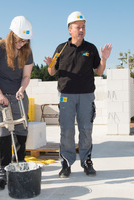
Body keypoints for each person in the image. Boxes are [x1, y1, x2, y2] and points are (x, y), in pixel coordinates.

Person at [44, 11, 112, 178]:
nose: (81, 30)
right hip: (66, 95)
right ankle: (66, 163)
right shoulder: (61, 49)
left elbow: (99, 71)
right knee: (66, 130)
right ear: (70, 30)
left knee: (86, 130)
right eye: (78, 27)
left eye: (83, 27)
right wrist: (50, 65)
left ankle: (87, 161)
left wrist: (103, 59)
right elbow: (52, 72)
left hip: (87, 95)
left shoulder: (91, 48)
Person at [0, 16, 33, 190]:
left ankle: (19, 162)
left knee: (21, 129)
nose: (23, 43)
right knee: (3, 133)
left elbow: (26, 76)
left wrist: (22, 89)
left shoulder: (27, 51)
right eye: (20, 40)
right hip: (0, 96)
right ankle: (1, 171)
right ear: (12, 35)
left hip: (19, 95)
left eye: (26, 40)